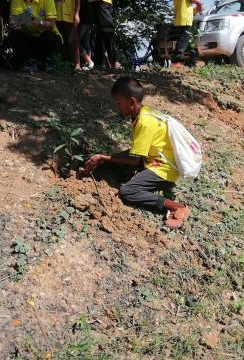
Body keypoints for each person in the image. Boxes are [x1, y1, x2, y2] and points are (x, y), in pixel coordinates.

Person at [84, 77, 190, 230]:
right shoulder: (142, 114)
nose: (117, 106)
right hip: (154, 161)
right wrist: (107, 158)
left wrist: (103, 157)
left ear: (132, 102)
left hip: (163, 169)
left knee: (127, 191)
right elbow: (137, 153)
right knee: (115, 163)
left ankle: (177, 207)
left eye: (119, 102)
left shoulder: (144, 122)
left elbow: (134, 160)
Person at [9, 0, 61, 70]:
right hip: (28, 37)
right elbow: (14, 23)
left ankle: (45, 61)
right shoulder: (16, 1)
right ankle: (27, 61)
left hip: (44, 37)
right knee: (15, 34)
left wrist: (38, 22)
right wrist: (22, 21)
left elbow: (51, 24)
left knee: (49, 37)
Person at [171, 0, 202, 67]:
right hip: (184, 20)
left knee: (187, 42)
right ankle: (176, 61)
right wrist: (198, 2)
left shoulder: (184, 4)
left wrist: (198, 7)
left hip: (182, 19)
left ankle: (194, 60)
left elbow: (193, 10)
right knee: (183, 40)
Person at [89, 0, 117, 68]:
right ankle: (99, 63)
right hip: (95, 3)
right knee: (99, 34)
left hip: (101, 2)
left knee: (107, 29)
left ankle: (114, 62)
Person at [56, 0, 80, 69]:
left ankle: (77, 64)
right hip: (57, 14)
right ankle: (62, 63)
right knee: (60, 39)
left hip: (70, 15)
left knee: (73, 40)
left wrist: (77, 14)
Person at [78, 0, 93, 70]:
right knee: (86, 42)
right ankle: (89, 63)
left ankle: (88, 61)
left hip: (83, 18)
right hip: (88, 19)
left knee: (76, 42)